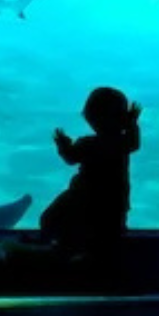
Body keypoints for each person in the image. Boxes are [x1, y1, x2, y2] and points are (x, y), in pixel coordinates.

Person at [38, 86, 141, 264]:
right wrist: (131, 123)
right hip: (114, 201)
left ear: (91, 118)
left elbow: (71, 158)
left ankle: (59, 250)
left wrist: (63, 145)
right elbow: (134, 142)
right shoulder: (122, 143)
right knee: (109, 230)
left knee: (50, 218)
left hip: (83, 197)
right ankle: (100, 255)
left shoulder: (88, 144)